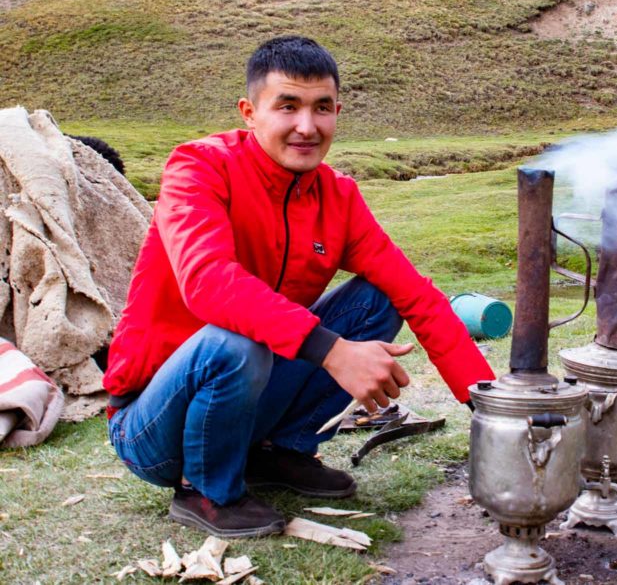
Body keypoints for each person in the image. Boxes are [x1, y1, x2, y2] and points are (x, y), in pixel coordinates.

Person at [102, 36, 496, 538]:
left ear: (337, 111)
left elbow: (418, 297)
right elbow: (208, 282)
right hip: (154, 425)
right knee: (234, 336)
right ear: (249, 112)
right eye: (287, 106)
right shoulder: (198, 168)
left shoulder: (337, 197)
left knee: (378, 299)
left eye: (321, 108)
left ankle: (277, 450)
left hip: (248, 396)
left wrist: (491, 407)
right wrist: (334, 352)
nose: (306, 127)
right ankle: (204, 488)